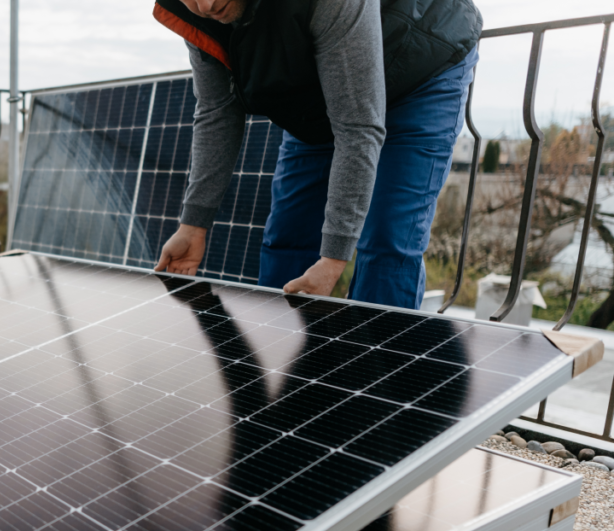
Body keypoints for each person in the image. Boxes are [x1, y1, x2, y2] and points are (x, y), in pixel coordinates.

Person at [152, 0, 481, 309]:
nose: (206, 5)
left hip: (420, 63)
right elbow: (217, 111)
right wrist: (193, 225)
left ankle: (378, 365)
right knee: (288, 237)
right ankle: (279, 355)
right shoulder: (195, 12)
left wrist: (334, 259)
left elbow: (357, 126)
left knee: (385, 241)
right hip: (324, 86)